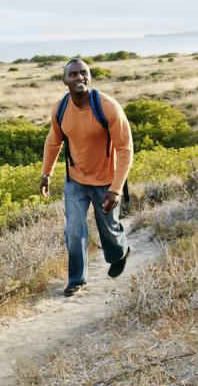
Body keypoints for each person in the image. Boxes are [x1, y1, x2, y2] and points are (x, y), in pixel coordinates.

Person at [40, 58, 134, 296]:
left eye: (84, 73)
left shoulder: (108, 107)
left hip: (106, 181)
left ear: (90, 77)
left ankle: (120, 252)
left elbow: (125, 150)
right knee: (74, 230)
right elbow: (53, 142)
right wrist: (46, 173)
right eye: (73, 74)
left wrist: (116, 188)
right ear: (64, 80)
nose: (79, 77)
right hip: (75, 181)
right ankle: (77, 280)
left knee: (109, 228)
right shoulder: (60, 109)